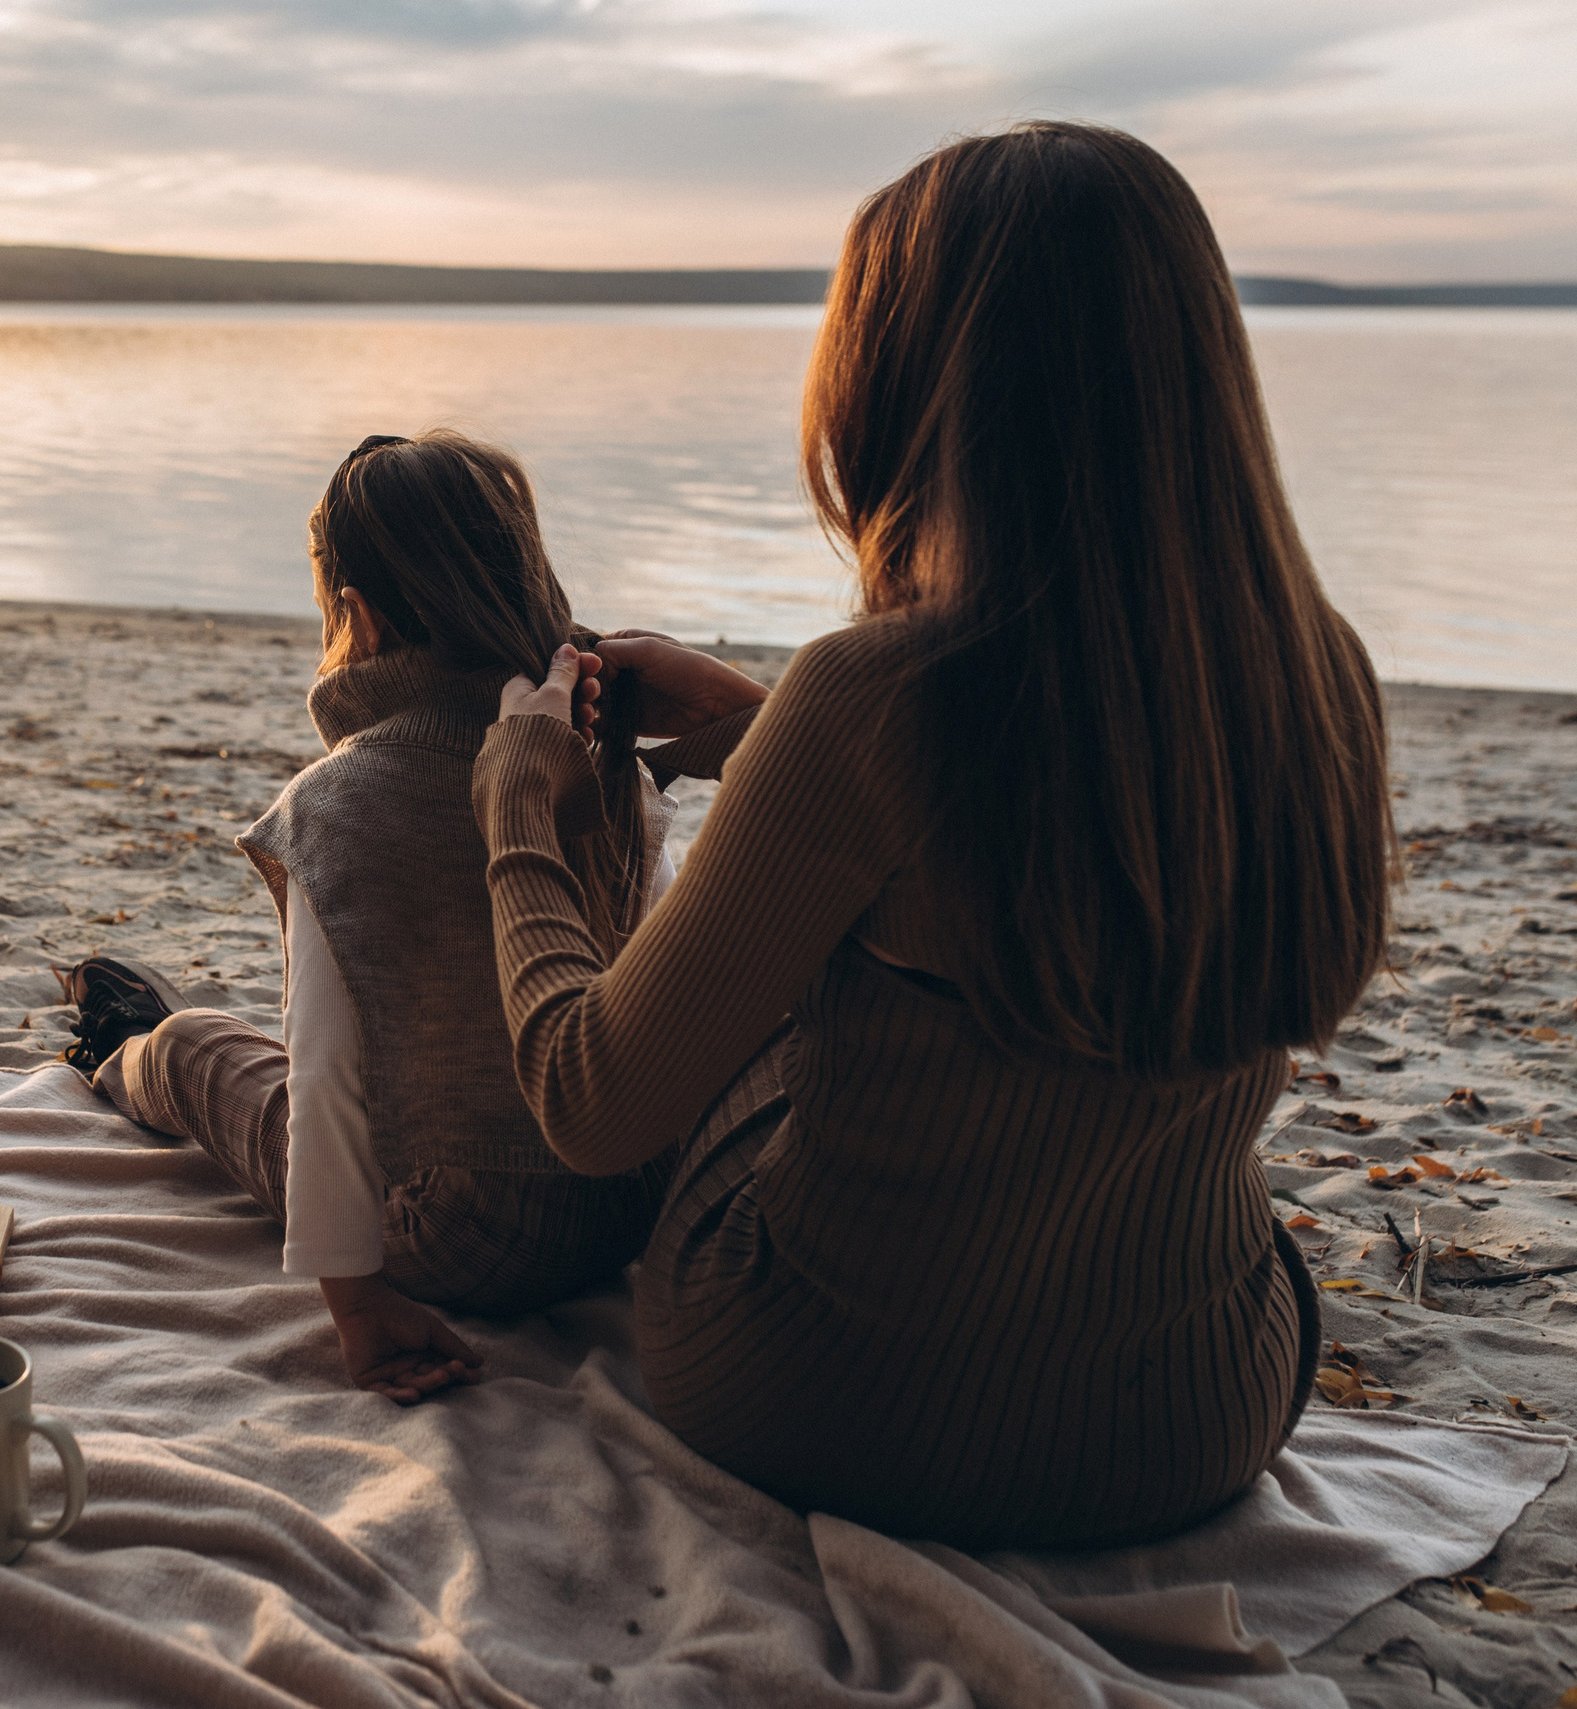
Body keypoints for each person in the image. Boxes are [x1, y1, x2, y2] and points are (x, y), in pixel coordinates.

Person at [475, 122, 1390, 1548]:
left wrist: (517, 812)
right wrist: (758, 732)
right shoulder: (1313, 671)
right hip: (1198, 1418)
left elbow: (592, 1102)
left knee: (747, 1037)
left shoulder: (874, 698)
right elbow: (1032, 815)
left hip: (828, 1406)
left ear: (904, 377)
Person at [65, 429, 681, 1404]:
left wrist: (354, 1304)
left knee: (196, 1047)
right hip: (624, 1208)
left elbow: (325, 1080)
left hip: (459, 1237)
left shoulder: (341, 801)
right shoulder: (612, 765)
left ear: (354, 611)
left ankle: (124, 1050)